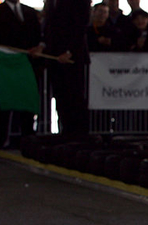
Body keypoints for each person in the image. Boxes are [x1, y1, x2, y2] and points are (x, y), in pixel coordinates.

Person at [0, 0, 42, 147]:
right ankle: (0, 139)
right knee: (3, 103)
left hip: (26, 64)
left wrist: (39, 47)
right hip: (3, 64)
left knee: (26, 101)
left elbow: (38, 36)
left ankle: (28, 138)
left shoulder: (30, 12)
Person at [41, 0, 91, 137]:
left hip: (72, 57)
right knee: (60, 95)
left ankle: (79, 133)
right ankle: (66, 130)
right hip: (54, 55)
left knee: (74, 95)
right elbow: (49, 25)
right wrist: (43, 44)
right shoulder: (51, 2)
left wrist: (70, 51)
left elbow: (81, 26)